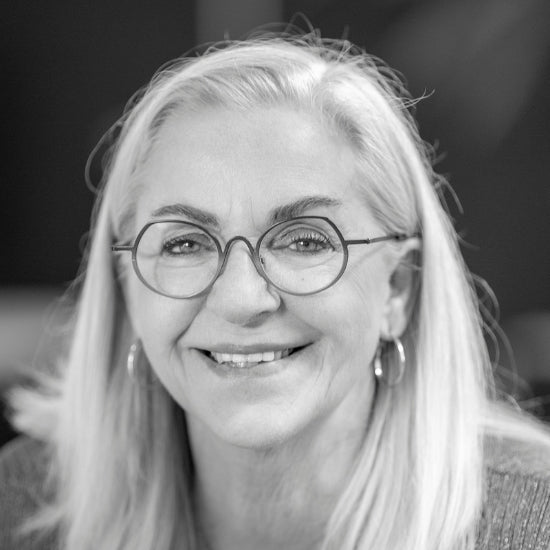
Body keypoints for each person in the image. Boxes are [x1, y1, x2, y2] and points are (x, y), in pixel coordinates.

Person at [1, 30, 550, 550]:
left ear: (398, 289)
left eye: (306, 241)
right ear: (127, 289)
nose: (242, 299)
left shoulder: (533, 522)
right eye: (185, 244)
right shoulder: (22, 504)